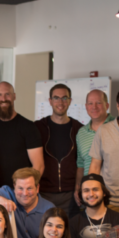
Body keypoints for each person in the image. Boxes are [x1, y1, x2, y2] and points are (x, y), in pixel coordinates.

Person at [0, 81, 44, 188]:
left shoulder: (28, 127)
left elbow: (39, 165)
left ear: (14, 96)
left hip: (20, 192)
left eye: (7, 94)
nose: (3, 98)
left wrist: (26, 189)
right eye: (0, 95)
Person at [34, 84, 83, 215]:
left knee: (70, 228)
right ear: (50, 101)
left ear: (70, 101)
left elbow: (82, 163)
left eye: (64, 98)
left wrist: (78, 188)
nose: (60, 102)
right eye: (56, 98)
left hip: (70, 196)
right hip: (43, 193)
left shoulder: (79, 129)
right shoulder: (37, 128)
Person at [0, 168, 55, 238]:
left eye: (29, 188)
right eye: (20, 188)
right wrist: (0, 200)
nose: (25, 193)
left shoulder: (49, 209)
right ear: (14, 188)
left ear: (37, 188)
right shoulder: (8, 194)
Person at [74, 90, 114, 206]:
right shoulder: (81, 133)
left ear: (107, 105)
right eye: (90, 103)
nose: (94, 107)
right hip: (91, 196)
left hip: (114, 196)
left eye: (98, 103)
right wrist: (78, 188)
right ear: (86, 107)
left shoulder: (118, 126)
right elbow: (81, 165)